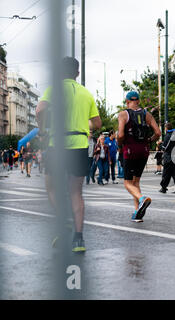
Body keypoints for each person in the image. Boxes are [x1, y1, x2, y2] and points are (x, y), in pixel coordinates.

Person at [36, 56, 102, 253]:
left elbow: (40, 110)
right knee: (76, 193)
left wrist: (42, 130)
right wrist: (83, 124)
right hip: (80, 145)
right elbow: (97, 123)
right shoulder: (86, 93)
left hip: (58, 144)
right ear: (78, 73)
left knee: (51, 186)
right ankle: (79, 240)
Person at [117, 91, 161, 222]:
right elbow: (158, 133)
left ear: (127, 101)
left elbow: (120, 135)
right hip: (144, 150)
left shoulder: (123, 114)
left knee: (127, 183)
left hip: (130, 150)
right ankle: (137, 213)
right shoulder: (147, 114)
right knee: (136, 182)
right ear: (139, 101)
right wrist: (149, 140)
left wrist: (120, 146)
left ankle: (142, 199)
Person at [159, 122, 175, 194]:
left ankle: (163, 188)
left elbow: (164, 148)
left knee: (166, 173)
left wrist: (160, 144)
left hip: (169, 157)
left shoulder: (168, 135)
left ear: (166, 128)